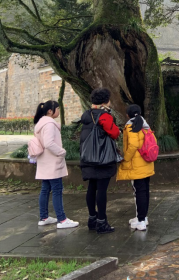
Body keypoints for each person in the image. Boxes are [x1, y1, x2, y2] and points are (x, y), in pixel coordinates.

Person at [79, 88, 120, 234]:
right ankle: (102, 222)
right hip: (102, 159)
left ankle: (92, 219)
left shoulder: (86, 114)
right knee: (101, 190)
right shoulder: (104, 116)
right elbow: (114, 133)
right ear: (105, 101)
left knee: (91, 187)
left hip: (87, 157)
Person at [33, 100, 79, 229]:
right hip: (52, 161)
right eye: (57, 109)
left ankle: (44, 217)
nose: (59, 111)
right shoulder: (49, 124)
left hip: (44, 161)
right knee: (57, 189)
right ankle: (62, 220)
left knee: (45, 189)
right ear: (50, 111)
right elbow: (49, 143)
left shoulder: (40, 124)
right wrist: (61, 152)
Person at [117, 104, 155, 231]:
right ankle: (143, 217)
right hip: (147, 162)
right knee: (144, 191)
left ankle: (141, 221)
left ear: (127, 115)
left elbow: (133, 145)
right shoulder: (145, 125)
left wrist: (126, 158)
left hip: (136, 165)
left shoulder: (130, 126)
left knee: (139, 192)